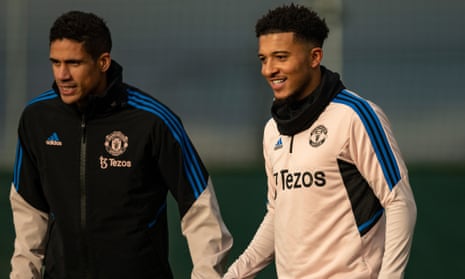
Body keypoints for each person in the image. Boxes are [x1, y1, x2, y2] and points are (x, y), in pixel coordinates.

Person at [10, 11, 232, 279]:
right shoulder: (37, 118)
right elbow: (29, 211)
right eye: (55, 63)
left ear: (103, 61)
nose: (62, 74)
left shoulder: (153, 121)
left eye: (74, 63)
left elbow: (200, 208)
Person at [224, 4, 416, 279]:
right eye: (263, 59)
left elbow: (399, 202)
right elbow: (278, 213)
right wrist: (236, 274)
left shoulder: (355, 115)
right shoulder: (273, 131)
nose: (269, 70)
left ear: (315, 57)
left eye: (280, 57)